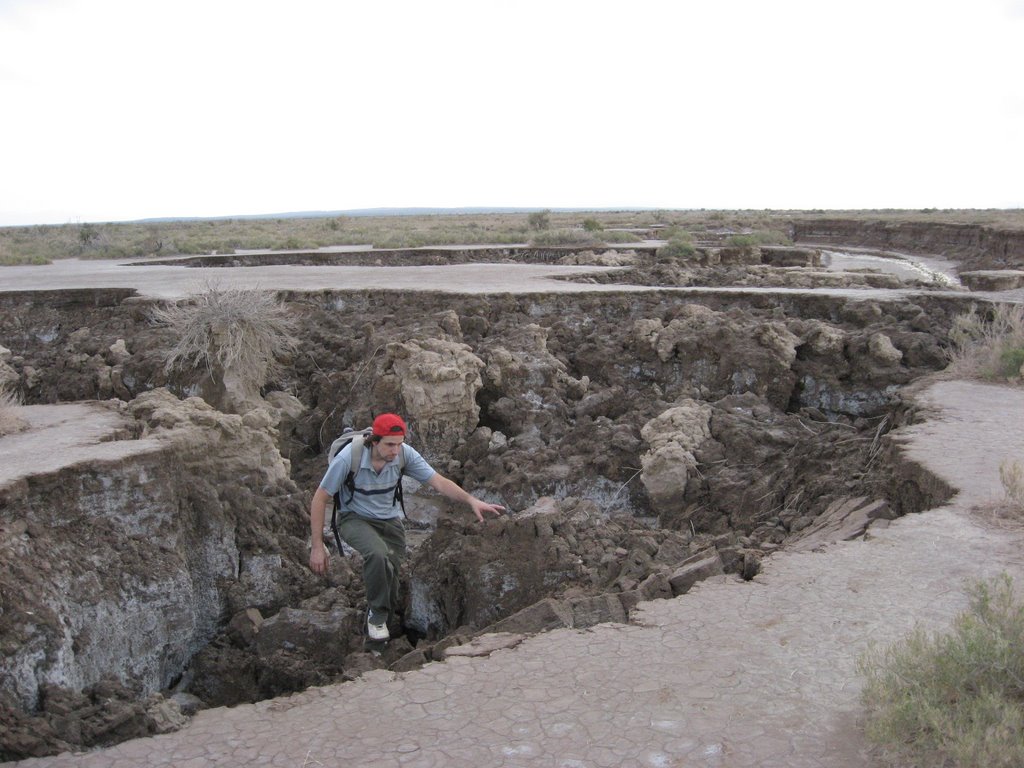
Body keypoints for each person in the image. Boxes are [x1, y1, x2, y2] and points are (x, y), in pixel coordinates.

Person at [308, 413, 504, 641]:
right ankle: (377, 619)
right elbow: (320, 499)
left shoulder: (404, 455)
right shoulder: (348, 458)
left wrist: (471, 500)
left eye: (399, 444)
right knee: (377, 555)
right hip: (354, 518)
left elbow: (438, 482)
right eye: (390, 445)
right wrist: (317, 546)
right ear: (374, 441)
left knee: (391, 577)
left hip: (389, 521)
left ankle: (383, 637)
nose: (395, 451)